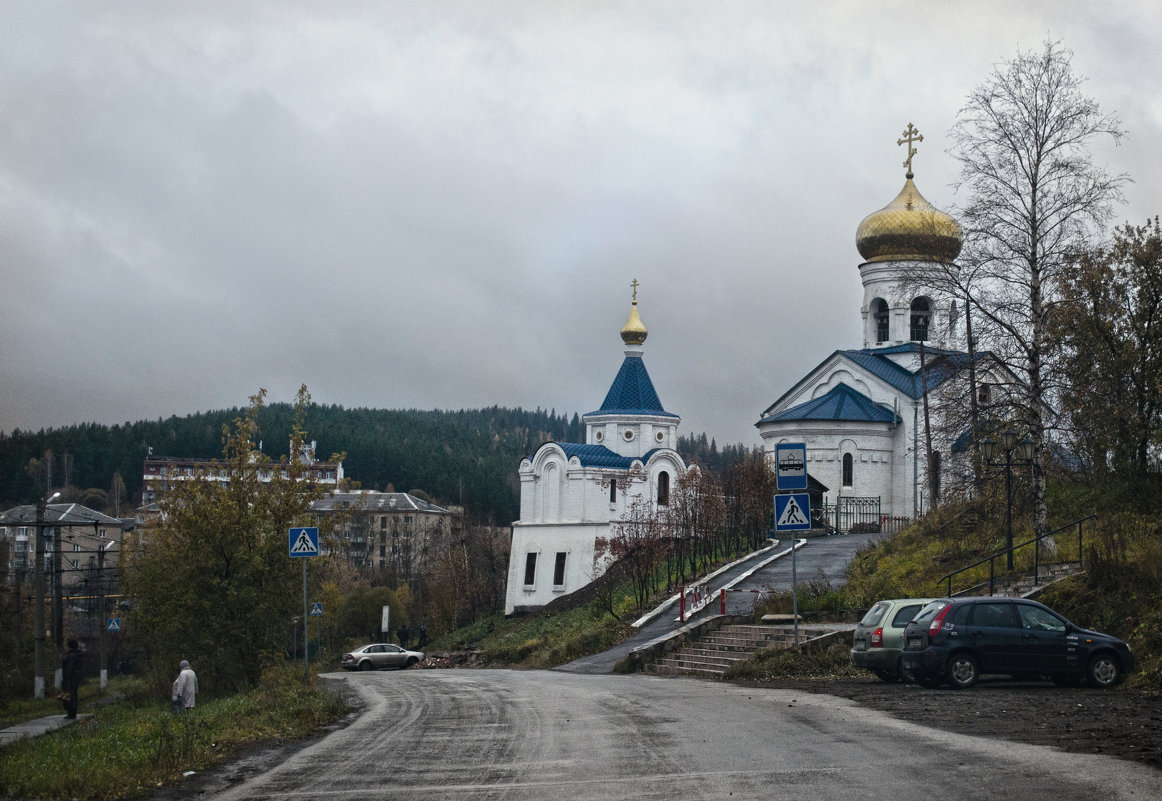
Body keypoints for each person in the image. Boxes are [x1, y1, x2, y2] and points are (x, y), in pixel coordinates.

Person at [60, 640, 83, 719]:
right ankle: (72, 713)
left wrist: (66, 679)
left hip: (71, 678)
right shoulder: (77, 654)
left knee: (70, 695)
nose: (65, 648)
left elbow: (69, 668)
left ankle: (71, 713)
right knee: (73, 694)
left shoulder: (71, 655)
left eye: (66, 646)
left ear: (69, 647)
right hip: (75, 677)